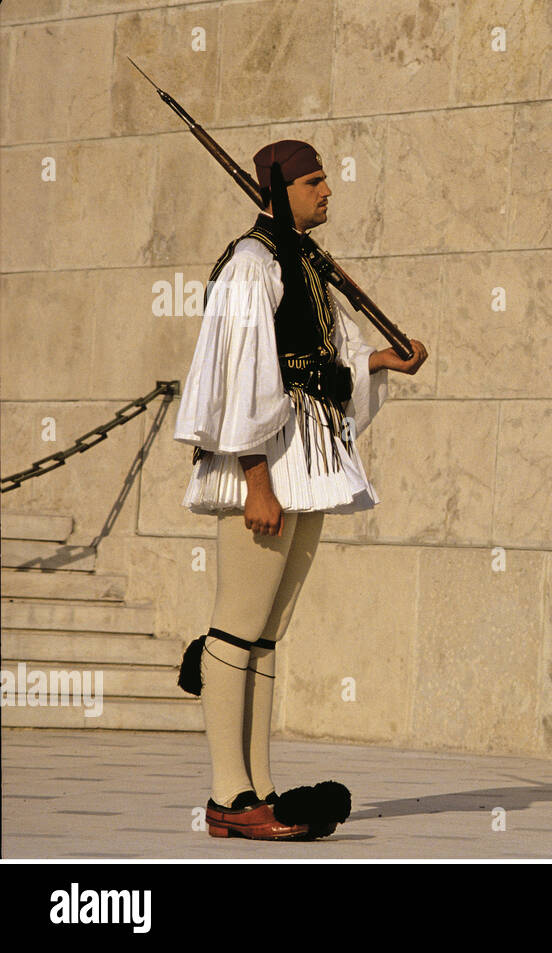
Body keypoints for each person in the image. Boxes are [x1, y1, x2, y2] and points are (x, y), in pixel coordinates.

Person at [173, 139, 428, 840]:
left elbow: (327, 358)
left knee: (266, 631)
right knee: (236, 622)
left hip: (309, 458)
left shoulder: (302, 263)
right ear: (279, 189)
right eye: (315, 182)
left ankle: (258, 785)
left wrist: (381, 361)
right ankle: (228, 792)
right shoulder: (250, 266)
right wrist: (255, 478)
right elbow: (239, 375)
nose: (328, 192)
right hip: (267, 463)